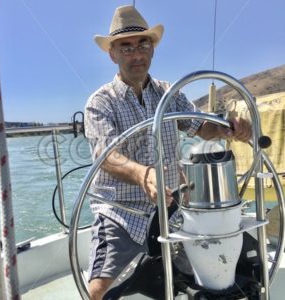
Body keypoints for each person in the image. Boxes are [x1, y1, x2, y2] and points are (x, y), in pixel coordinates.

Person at [84, 5, 251, 299]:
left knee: (214, 272)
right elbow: (105, 155)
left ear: (152, 49)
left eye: (143, 44)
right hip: (122, 212)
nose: (136, 54)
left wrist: (229, 128)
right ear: (112, 54)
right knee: (97, 291)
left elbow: (202, 127)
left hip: (171, 207)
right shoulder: (100, 102)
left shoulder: (169, 93)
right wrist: (143, 173)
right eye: (126, 47)